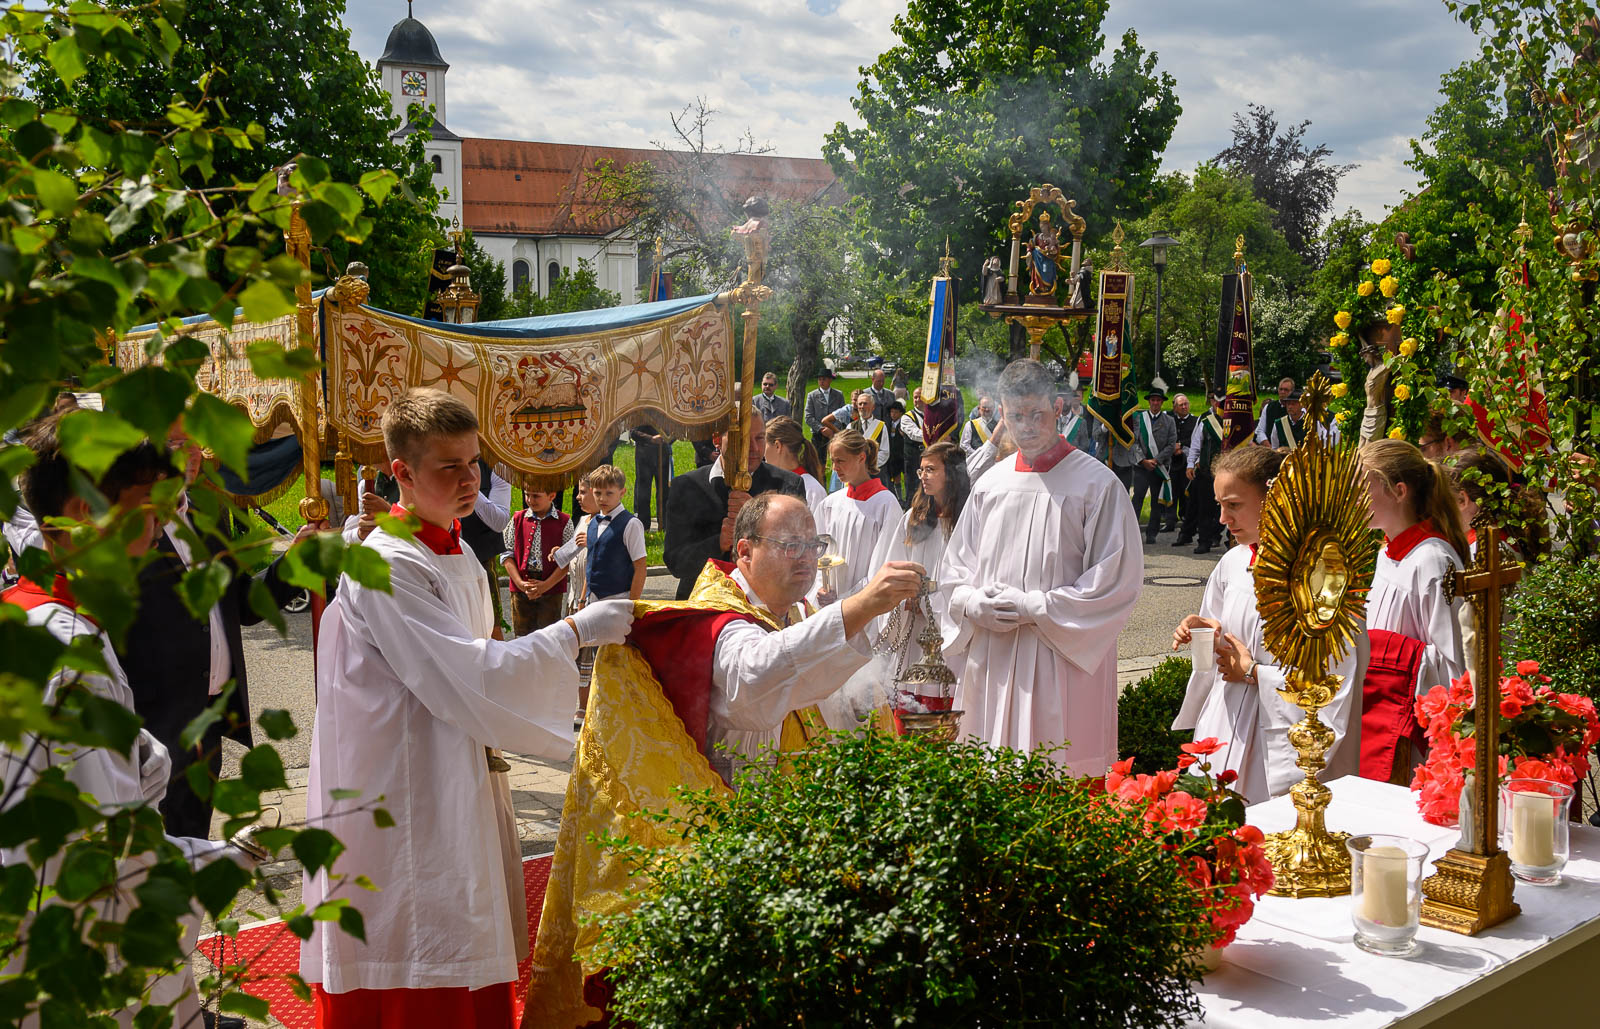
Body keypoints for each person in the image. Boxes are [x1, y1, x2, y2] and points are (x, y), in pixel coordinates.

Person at [301, 388, 635, 1027]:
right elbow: (469, 673)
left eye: (474, 463)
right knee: (421, 929)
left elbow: (480, 663)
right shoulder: (390, 563)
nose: (468, 480)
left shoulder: (452, 550)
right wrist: (575, 632)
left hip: (455, 763)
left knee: (463, 913)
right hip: (404, 781)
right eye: (447, 466)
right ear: (400, 472)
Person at [527, 494, 925, 1024]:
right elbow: (756, 686)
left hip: (776, 834)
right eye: (789, 545)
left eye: (814, 545)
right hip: (709, 841)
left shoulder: (793, 613)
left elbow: (820, 687)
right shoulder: (718, 621)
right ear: (744, 551)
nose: (806, 558)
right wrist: (861, 606)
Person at [3, 413, 257, 1027]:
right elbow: (107, 867)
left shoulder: (35, 622)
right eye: (144, 510)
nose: (159, 528)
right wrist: (216, 862)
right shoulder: (72, 659)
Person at [937, 359, 1144, 775]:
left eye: (1037, 414)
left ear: (1058, 407)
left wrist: (1036, 606)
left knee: (1058, 765)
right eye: (1016, 415)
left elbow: (1115, 579)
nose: (1027, 426)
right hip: (993, 651)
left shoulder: (1097, 485)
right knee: (990, 762)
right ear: (1002, 413)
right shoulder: (990, 484)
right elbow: (955, 568)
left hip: (1061, 652)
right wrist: (972, 603)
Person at [119, 426, 307, 840]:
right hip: (153, 727)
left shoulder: (208, 512)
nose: (187, 453)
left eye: (192, 442)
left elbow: (240, 604)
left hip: (208, 723)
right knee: (151, 861)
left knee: (194, 845)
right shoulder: (122, 530)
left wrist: (295, 563)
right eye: (170, 443)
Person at [1171, 446, 1367, 803]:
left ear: (1275, 499)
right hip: (1227, 718)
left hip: (1274, 740)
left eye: (1234, 504)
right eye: (1219, 505)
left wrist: (1253, 672)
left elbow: (1335, 677)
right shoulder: (1233, 562)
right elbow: (1227, 623)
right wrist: (1204, 626)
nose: (1222, 519)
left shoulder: (1320, 576)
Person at [1356, 438, 1470, 782]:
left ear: (1399, 491)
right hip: (1382, 714)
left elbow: (1456, 668)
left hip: (1414, 734)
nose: (1354, 499)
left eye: (1364, 488)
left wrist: (1390, 654)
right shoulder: (1386, 552)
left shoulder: (1433, 560)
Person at [663, 409, 806, 600]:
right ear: (716, 439)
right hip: (703, 606)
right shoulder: (688, 486)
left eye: (760, 438)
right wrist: (718, 543)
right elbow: (676, 563)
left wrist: (759, 516)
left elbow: (798, 553)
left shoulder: (787, 485)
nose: (754, 449)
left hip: (765, 606)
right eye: (743, 439)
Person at [868, 441, 970, 652]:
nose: (923, 475)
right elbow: (895, 562)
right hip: (913, 622)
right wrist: (904, 596)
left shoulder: (968, 519)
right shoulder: (913, 518)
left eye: (931, 469)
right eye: (921, 469)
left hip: (950, 627)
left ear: (952, 473)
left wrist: (931, 604)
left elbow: (971, 576)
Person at [815, 428, 903, 602]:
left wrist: (846, 601)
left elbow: (883, 565)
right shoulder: (830, 504)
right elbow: (815, 554)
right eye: (833, 461)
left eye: (840, 461)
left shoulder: (885, 504)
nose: (835, 468)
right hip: (829, 606)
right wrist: (821, 588)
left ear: (861, 458)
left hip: (866, 606)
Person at [501, 490, 574, 638]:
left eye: (535, 496)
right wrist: (520, 583)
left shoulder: (564, 521)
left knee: (549, 637)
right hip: (521, 589)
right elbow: (507, 555)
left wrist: (546, 585)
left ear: (552, 495)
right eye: (527, 495)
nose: (529, 499)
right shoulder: (517, 519)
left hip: (551, 589)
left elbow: (568, 560)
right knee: (522, 637)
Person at [457, 458, 512, 632]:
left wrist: (472, 490)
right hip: (442, 558)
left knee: (491, 627)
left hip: (482, 560)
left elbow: (499, 522)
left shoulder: (497, 466)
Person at [581, 464, 647, 603]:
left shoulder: (631, 524)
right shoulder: (593, 523)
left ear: (622, 492)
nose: (602, 499)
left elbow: (640, 567)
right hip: (591, 600)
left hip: (619, 599)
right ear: (592, 491)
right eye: (598, 493)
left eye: (609, 493)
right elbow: (591, 564)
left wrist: (633, 604)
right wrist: (582, 600)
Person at [1177, 390, 1227, 553]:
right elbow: (1196, 444)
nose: (1216, 403)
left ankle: (1217, 535)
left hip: (1226, 472)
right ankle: (1203, 541)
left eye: (1220, 400)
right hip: (1206, 471)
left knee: (1223, 507)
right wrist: (1191, 464)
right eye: (1213, 400)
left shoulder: (1232, 418)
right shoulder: (1205, 419)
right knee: (1203, 508)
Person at [1129, 389, 1176, 543]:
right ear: (1149, 402)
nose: (1155, 403)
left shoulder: (1169, 421)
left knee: (1157, 501)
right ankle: (1132, 531)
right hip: (1142, 467)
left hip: (1158, 466)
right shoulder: (1138, 418)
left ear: (1162, 402)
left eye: (1158, 400)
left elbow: (1171, 444)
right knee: (1138, 498)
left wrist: (1156, 460)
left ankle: (1151, 533)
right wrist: (1143, 460)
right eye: (1153, 400)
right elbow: (1134, 442)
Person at [764, 414, 827, 513]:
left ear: (777, 446)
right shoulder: (768, 482)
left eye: (765, 444)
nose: (763, 453)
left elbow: (818, 528)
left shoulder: (812, 489)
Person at [628, 423, 672, 531]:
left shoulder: (665, 412)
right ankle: (644, 525)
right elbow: (633, 433)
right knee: (643, 492)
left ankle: (664, 524)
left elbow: (674, 431)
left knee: (664, 491)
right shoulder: (641, 412)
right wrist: (651, 439)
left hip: (663, 455)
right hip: (644, 457)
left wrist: (667, 438)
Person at [1168, 393, 1196, 532]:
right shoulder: (1169, 419)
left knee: (1186, 491)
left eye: (1186, 404)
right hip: (1171, 462)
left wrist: (1181, 445)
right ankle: (1170, 520)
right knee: (1172, 491)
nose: (1184, 407)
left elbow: (1196, 439)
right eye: (1181, 405)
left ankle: (1185, 518)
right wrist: (1173, 446)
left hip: (1187, 462)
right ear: (1175, 407)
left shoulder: (1195, 421)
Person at [803, 364, 845, 449]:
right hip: (818, 433)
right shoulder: (812, 395)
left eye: (824, 379)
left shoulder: (838, 395)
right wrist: (821, 429)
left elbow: (842, 413)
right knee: (818, 459)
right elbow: (808, 416)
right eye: (819, 379)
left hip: (835, 432)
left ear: (830, 380)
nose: (821, 381)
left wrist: (833, 429)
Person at [1254, 376, 1296, 444]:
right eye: (1280, 389)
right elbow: (1260, 431)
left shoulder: (1297, 408)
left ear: (1292, 391)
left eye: (1286, 390)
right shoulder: (1269, 407)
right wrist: (1269, 447)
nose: (1282, 392)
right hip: (1271, 448)